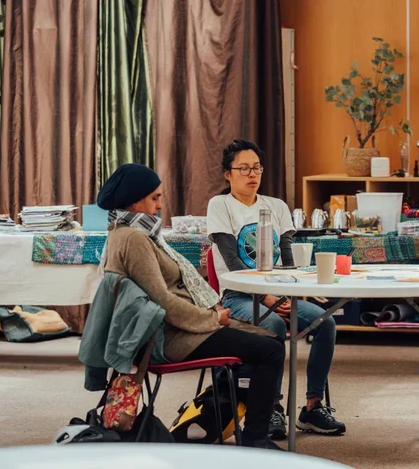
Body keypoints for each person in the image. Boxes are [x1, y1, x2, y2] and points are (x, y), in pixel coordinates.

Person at [97, 163, 285, 450]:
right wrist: (212, 320)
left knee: (263, 339)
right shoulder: (134, 239)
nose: (160, 206)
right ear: (134, 201)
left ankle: (220, 412)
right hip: (166, 337)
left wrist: (211, 316)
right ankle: (255, 439)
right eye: (155, 198)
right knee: (270, 350)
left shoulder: (130, 231)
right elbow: (164, 301)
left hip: (173, 327)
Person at [207, 140, 346, 440]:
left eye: (256, 167)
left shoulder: (276, 206)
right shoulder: (220, 206)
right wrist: (266, 298)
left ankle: (312, 407)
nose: (251, 174)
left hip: (279, 293)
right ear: (227, 175)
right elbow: (232, 263)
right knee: (270, 324)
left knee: (326, 322)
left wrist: (289, 294)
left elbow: (288, 261)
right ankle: (270, 407)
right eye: (243, 168)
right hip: (239, 295)